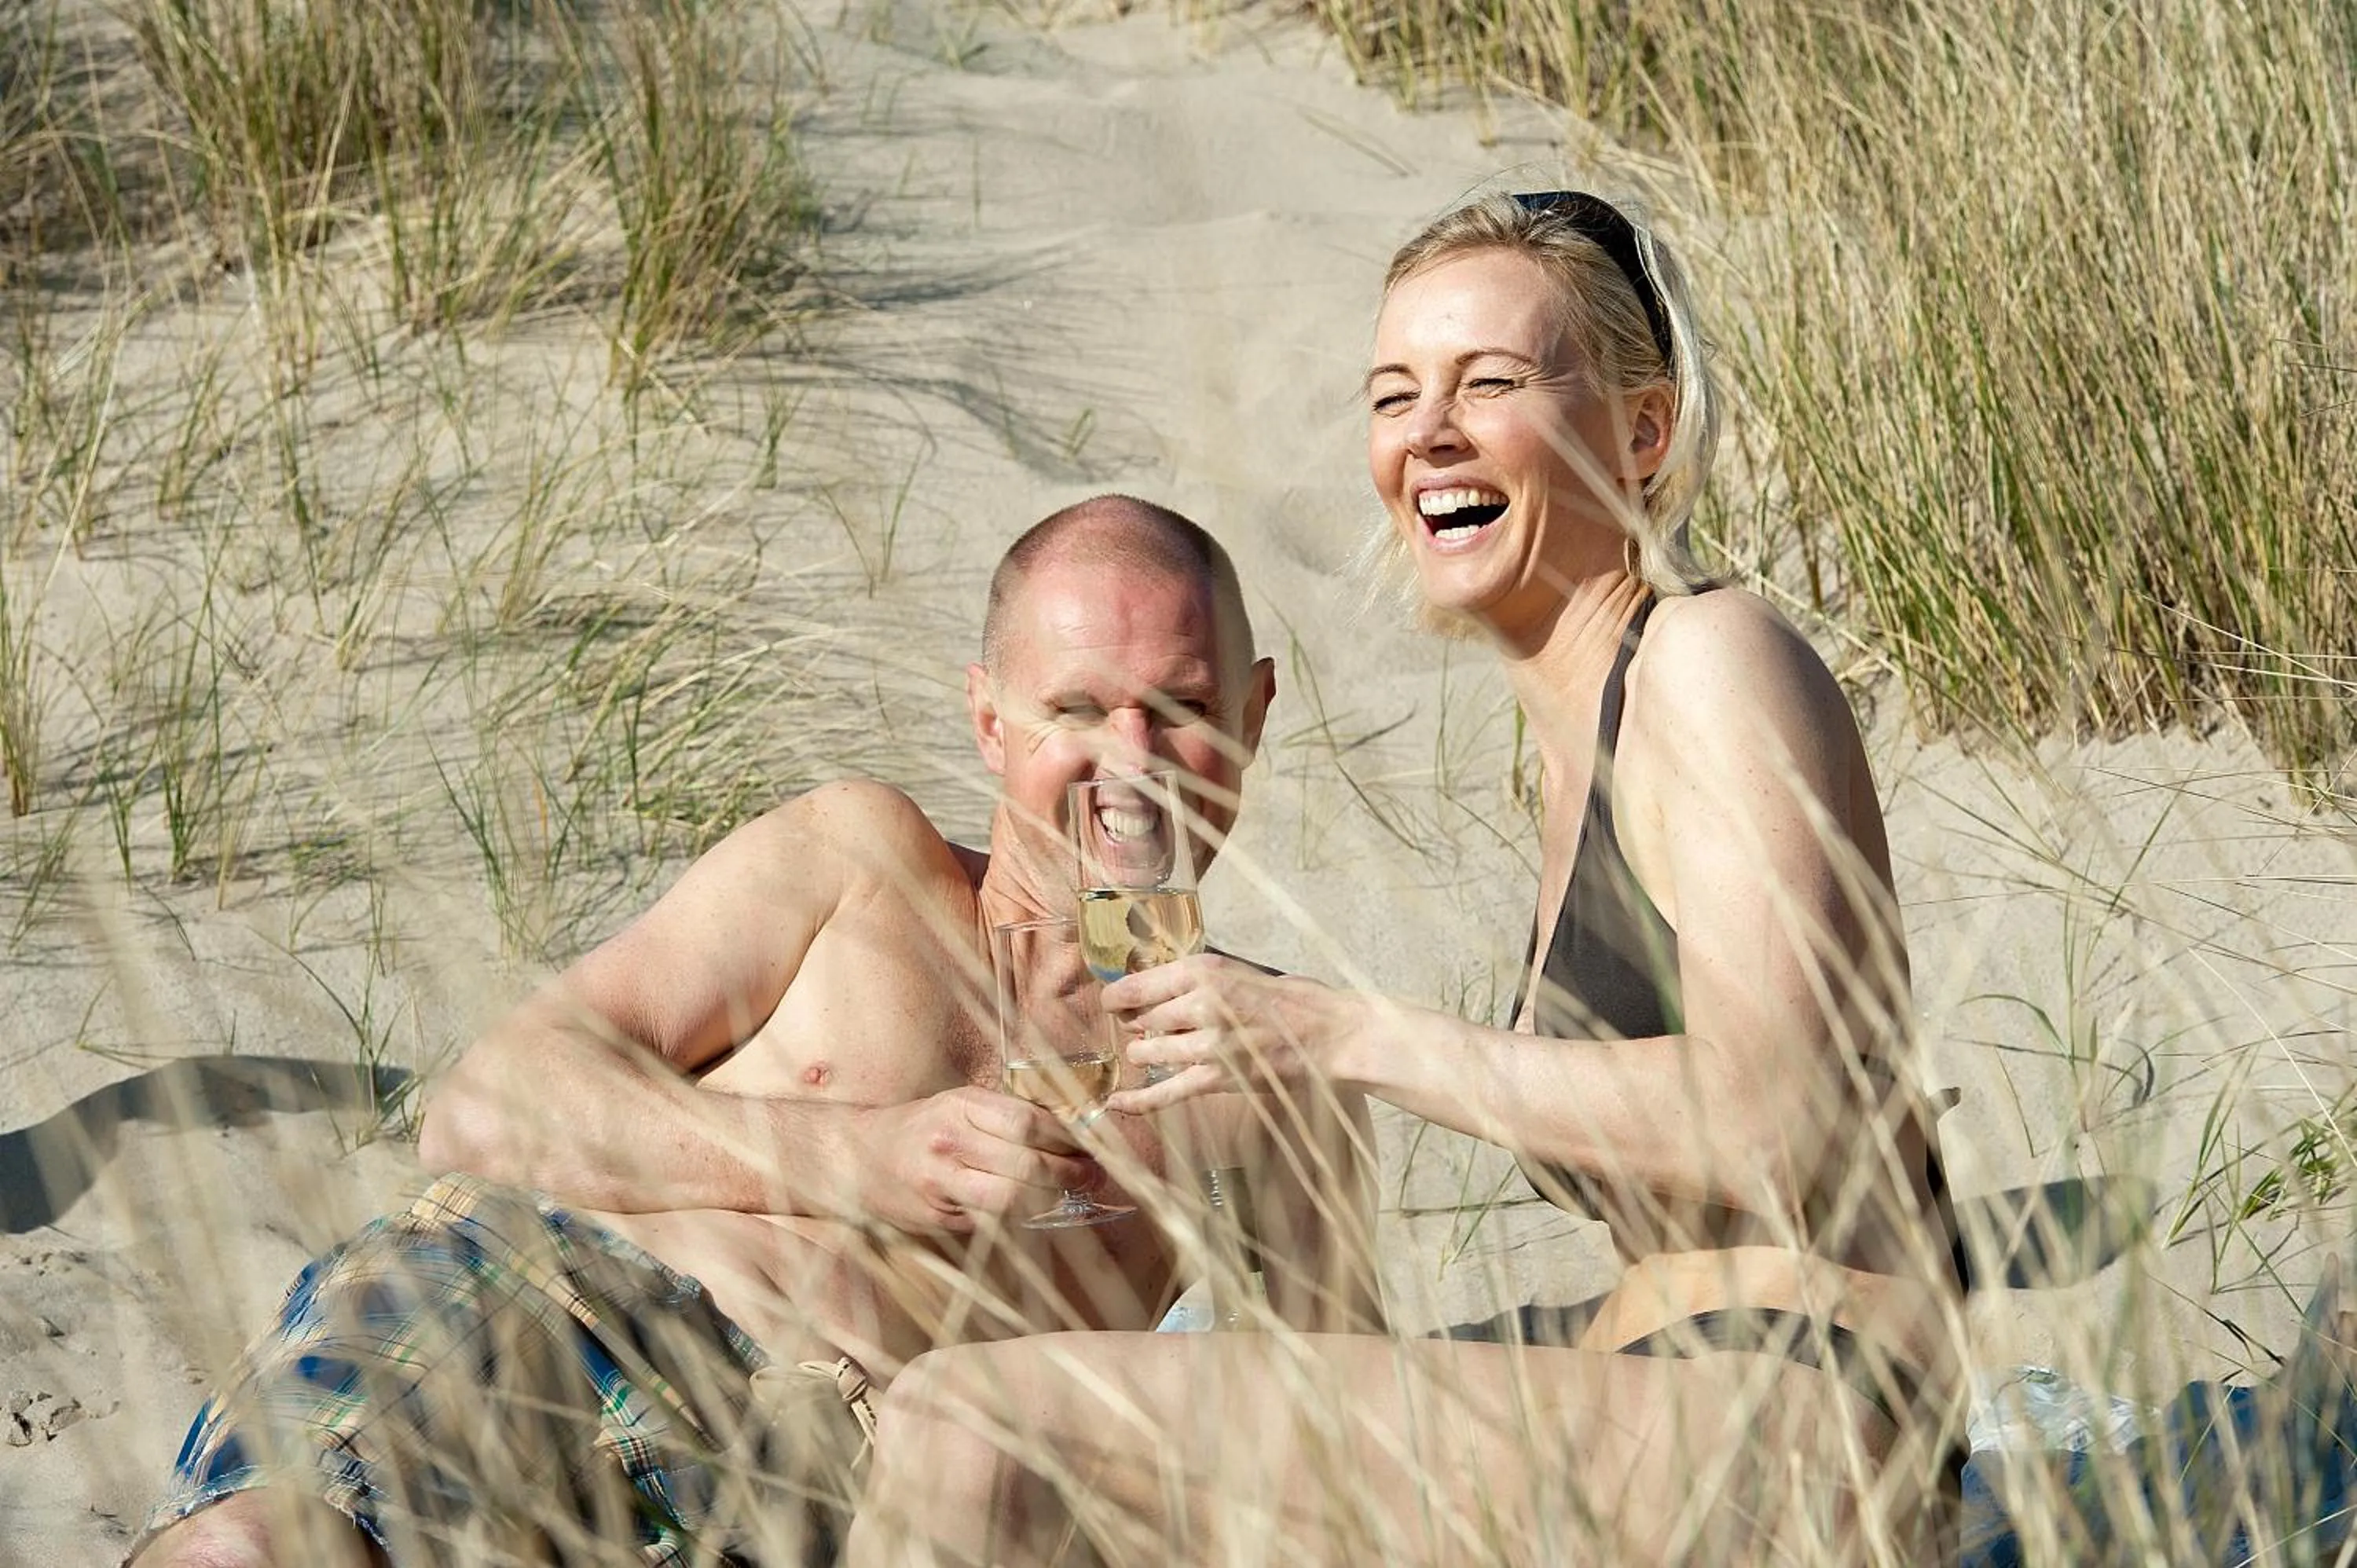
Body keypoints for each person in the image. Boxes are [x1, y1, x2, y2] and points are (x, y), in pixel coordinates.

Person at [848, 192, 1970, 1566]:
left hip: (1802, 1428)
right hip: (1675, 1412)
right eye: (1395, 395)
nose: (1427, 431)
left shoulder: (1709, 658)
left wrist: (1344, 1034)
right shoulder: (1569, 746)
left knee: (980, 1421)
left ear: (1643, 431)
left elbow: (1777, 1120)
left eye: (1489, 382)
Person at [129, 494, 1381, 1567]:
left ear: (1257, 713)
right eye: (1078, 710)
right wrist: (859, 1160)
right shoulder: (861, 860)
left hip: (844, 1480)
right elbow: (488, 1106)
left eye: (1184, 707)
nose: (1136, 758)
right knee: (260, 1547)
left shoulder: (1272, 1063)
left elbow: (1355, 1439)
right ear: (991, 721)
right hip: (561, 1296)